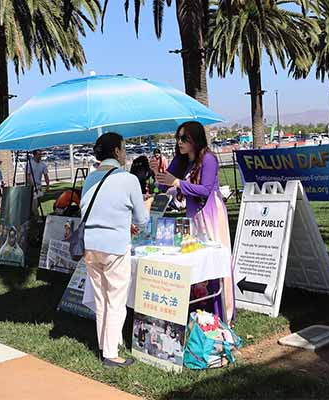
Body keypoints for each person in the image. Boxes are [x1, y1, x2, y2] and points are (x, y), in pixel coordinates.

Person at [81, 132, 150, 368]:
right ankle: (111, 354)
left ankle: (104, 344)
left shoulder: (90, 179)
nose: (125, 153)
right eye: (124, 148)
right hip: (114, 247)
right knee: (116, 300)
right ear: (117, 152)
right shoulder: (128, 179)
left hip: (89, 245)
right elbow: (142, 219)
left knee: (101, 298)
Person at [154, 121, 234, 322]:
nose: (179, 143)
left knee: (214, 260)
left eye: (184, 138)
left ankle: (222, 310)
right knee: (195, 259)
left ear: (195, 139)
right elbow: (164, 186)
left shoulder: (208, 159)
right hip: (193, 217)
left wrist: (178, 183)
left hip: (211, 215)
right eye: (178, 138)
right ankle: (200, 308)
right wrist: (158, 174)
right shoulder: (181, 161)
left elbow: (205, 190)